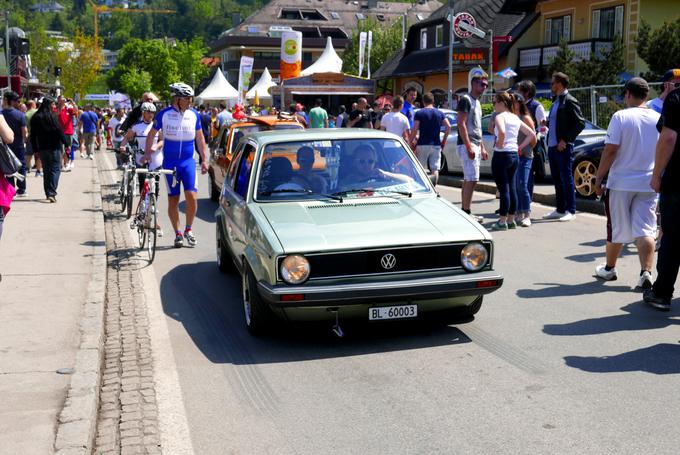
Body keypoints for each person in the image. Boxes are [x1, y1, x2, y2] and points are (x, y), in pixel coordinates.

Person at [591, 77, 659, 289]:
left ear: (628, 94)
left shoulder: (620, 116)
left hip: (621, 182)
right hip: (648, 182)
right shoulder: (658, 117)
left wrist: (599, 177)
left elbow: (610, 150)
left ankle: (610, 269)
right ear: (646, 95)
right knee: (646, 228)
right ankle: (646, 272)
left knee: (616, 228)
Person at [145, 82, 207, 248]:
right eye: (188, 98)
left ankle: (188, 229)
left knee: (192, 197)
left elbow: (200, 139)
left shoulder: (194, 114)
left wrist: (204, 159)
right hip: (170, 163)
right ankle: (178, 233)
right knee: (173, 199)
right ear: (178, 99)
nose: (191, 101)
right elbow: (152, 134)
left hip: (188, 162)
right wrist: (147, 154)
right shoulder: (163, 114)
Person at [643, 81, 680, 311]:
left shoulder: (676, 98)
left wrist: (656, 174)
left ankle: (662, 293)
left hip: (678, 181)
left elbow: (668, 138)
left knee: (673, 236)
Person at [489, 92, 536, 231]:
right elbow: (531, 134)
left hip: (501, 155)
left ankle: (502, 221)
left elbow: (502, 132)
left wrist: (500, 143)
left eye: (495, 102)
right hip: (514, 154)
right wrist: (519, 146)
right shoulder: (515, 118)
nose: (493, 105)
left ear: (502, 103)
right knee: (512, 187)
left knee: (503, 188)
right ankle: (511, 219)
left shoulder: (500, 117)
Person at [543, 72, 585, 222]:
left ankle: (570, 210)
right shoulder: (556, 101)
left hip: (563, 147)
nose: (551, 86)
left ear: (560, 84)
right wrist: (546, 124)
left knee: (566, 179)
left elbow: (580, 123)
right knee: (557, 179)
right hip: (553, 146)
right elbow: (558, 122)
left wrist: (565, 140)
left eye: (553, 83)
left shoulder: (569, 100)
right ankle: (560, 209)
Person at [457, 71, 490, 221]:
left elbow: (477, 127)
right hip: (467, 144)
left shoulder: (477, 102)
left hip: (475, 143)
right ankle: (466, 212)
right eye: (482, 84)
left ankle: (465, 211)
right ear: (474, 83)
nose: (484, 87)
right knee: (472, 178)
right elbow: (461, 123)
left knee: (469, 178)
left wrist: (482, 147)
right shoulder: (466, 99)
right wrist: (469, 146)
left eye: (486, 85)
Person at [30, 97, 70, 203]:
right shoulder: (52, 116)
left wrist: (35, 149)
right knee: (56, 169)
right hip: (55, 147)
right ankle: (52, 192)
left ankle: (48, 193)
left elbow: (32, 136)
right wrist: (66, 144)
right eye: (53, 104)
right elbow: (60, 131)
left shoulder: (35, 117)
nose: (54, 106)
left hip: (42, 148)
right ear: (48, 105)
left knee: (47, 171)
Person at [517, 80, 548, 198]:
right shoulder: (519, 105)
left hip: (531, 145)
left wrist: (533, 141)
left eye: (520, 90)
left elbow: (542, 128)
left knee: (528, 174)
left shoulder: (536, 106)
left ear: (527, 92)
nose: (518, 93)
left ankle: (527, 202)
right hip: (519, 144)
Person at [412, 92, 450, 184]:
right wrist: (444, 141)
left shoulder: (419, 113)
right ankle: (434, 188)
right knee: (435, 169)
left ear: (423, 101)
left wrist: (411, 140)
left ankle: (421, 186)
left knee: (420, 167)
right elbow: (448, 126)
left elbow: (415, 128)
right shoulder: (440, 113)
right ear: (433, 101)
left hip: (422, 143)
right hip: (436, 144)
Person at [340, 145, 411, 190]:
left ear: (375, 162)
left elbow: (409, 181)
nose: (366, 164)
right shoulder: (347, 182)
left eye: (370, 161)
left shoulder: (381, 178)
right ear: (354, 163)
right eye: (362, 161)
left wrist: (385, 173)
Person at [512, 93, 536, 227]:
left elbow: (534, 138)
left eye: (514, 101)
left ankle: (527, 214)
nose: (512, 104)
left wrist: (525, 148)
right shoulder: (511, 117)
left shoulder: (525, 118)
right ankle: (518, 212)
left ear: (520, 103)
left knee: (522, 184)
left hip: (525, 156)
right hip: (514, 155)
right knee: (516, 186)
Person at [2, 91, 28, 196]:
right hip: (18, 145)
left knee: (7, 166)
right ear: (12, 101)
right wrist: (25, 139)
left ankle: (10, 188)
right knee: (20, 165)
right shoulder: (20, 115)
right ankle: (22, 189)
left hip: (4, 146)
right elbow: (24, 131)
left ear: (6, 100)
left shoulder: (1, 114)